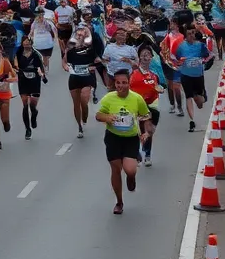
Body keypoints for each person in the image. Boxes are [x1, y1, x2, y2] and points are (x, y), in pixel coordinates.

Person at [95, 68, 151, 214]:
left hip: (130, 138)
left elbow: (145, 116)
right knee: (115, 168)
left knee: (130, 169)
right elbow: (98, 115)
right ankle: (119, 202)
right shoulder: (109, 98)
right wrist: (107, 118)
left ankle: (131, 177)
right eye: (118, 83)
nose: (120, 86)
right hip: (113, 137)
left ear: (129, 83)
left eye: (124, 83)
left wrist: (145, 132)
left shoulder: (137, 98)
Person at [128, 47, 166, 166]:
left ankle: (147, 153)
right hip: (137, 105)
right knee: (139, 130)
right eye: (143, 55)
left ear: (151, 58)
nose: (146, 57)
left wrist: (160, 89)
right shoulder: (133, 74)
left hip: (152, 104)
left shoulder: (154, 74)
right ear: (139, 57)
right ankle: (140, 153)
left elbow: (160, 86)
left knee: (149, 130)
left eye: (148, 55)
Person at [64, 23, 99, 138]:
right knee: (76, 103)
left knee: (84, 100)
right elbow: (64, 61)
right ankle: (79, 126)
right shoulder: (70, 48)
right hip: (74, 77)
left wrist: (94, 66)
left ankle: (85, 116)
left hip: (87, 76)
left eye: (82, 34)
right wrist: (65, 66)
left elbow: (97, 61)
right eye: (78, 34)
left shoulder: (91, 48)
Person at [172, 26, 211, 132]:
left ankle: (199, 95)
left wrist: (202, 61)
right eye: (189, 33)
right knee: (188, 97)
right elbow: (176, 58)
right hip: (185, 76)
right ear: (185, 35)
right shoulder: (181, 47)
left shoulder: (200, 46)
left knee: (200, 103)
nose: (191, 35)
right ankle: (192, 121)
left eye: (193, 33)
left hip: (198, 76)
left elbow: (208, 56)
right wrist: (180, 62)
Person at [14, 34, 48, 139]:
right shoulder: (18, 53)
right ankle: (27, 129)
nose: (26, 44)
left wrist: (42, 76)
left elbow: (40, 67)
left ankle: (34, 114)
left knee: (32, 105)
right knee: (25, 105)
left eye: (28, 42)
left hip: (34, 80)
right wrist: (16, 69)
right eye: (25, 42)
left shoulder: (36, 54)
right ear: (22, 43)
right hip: (23, 79)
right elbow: (15, 63)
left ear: (31, 43)